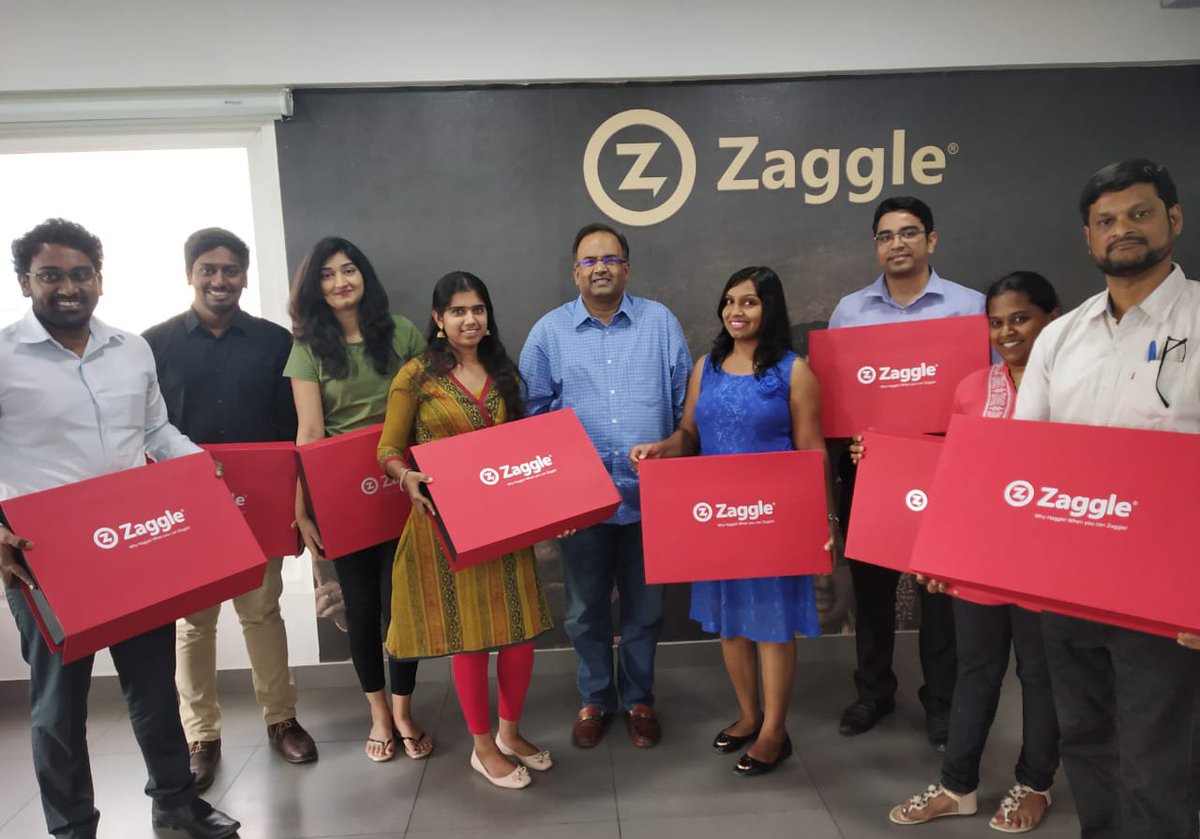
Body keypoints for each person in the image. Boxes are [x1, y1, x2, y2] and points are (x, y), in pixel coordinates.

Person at [0, 219, 240, 839]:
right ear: (25, 281)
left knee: (155, 690)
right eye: (51, 275)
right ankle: (72, 827)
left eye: (81, 274)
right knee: (58, 708)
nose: (69, 287)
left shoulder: (131, 348)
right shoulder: (2, 357)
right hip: (45, 559)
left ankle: (176, 803)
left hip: (136, 543)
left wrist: (201, 473)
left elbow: (156, 431)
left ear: (99, 279)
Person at [1013, 159, 1200, 839]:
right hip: (1071, 585)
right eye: (1106, 220)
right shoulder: (1060, 338)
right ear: (1088, 239)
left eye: (1139, 213)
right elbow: (1019, 460)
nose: (1123, 230)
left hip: (1169, 592)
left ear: (1173, 220)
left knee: (1159, 763)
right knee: (1087, 742)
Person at [874, 271, 1062, 832]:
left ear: (1052, 319)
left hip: (1048, 563)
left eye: (1020, 318)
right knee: (975, 670)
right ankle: (958, 786)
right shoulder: (972, 388)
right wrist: (941, 554)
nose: (1007, 332)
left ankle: (1035, 784)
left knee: (1039, 676)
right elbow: (953, 477)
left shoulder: (1078, 384)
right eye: (997, 322)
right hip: (979, 560)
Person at [630, 266, 836, 776]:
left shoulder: (794, 370)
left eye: (749, 302)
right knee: (729, 627)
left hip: (774, 519)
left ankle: (775, 731)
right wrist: (662, 449)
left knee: (772, 626)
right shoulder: (709, 365)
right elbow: (688, 435)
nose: (736, 312)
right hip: (718, 520)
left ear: (771, 308)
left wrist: (824, 519)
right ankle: (748, 715)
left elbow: (813, 451)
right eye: (729, 302)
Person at [143, 227, 317, 791]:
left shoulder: (273, 343)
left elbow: (292, 429)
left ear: (244, 275)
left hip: (259, 503)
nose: (220, 280)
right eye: (208, 270)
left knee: (262, 611)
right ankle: (202, 736)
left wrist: (292, 499)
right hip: (186, 507)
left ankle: (281, 719)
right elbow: (144, 430)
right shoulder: (154, 344)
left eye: (230, 270)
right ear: (190, 274)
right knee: (194, 624)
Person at [377, 271, 555, 789]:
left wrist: (554, 505)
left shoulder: (504, 372)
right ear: (438, 319)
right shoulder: (415, 377)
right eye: (457, 311)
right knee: (472, 638)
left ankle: (510, 733)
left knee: (521, 635)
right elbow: (387, 449)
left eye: (477, 309)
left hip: (508, 521)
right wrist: (405, 474)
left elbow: (527, 452)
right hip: (447, 527)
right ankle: (482, 748)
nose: (470, 319)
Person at [519, 222, 691, 749]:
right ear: (575, 271)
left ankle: (639, 700)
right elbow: (532, 416)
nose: (600, 268)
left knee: (645, 611)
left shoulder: (661, 323)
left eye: (611, 259)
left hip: (649, 500)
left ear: (627, 268)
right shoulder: (548, 333)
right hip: (582, 505)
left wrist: (669, 444)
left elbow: (688, 409)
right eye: (590, 260)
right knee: (583, 611)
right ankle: (595, 698)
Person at [828, 195, 985, 748]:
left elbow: (986, 397)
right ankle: (873, 692)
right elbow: (841, 398)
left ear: (931, 240)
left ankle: (940, 702)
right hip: (871, 475)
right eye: (886, 235)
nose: (897, 243)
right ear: (876, 245)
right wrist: (848, 438)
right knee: (871, 594)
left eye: (909, 232)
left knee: (939, 599)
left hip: (944, 476)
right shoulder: (849, 312)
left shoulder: (969, 307)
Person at [285, 236, 432, 763]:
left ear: (364, 276)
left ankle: (403, 709)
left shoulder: (402, 332)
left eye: (349, 270)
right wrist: (301, 508)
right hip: (342, 494)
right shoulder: (306, 348)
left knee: (403, 608)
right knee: (364, 607)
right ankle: (377, 712)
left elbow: (429, 407)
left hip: (404, 484)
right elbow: (307, 432)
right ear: (315, 287)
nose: (340, 281)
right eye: (327, 274)